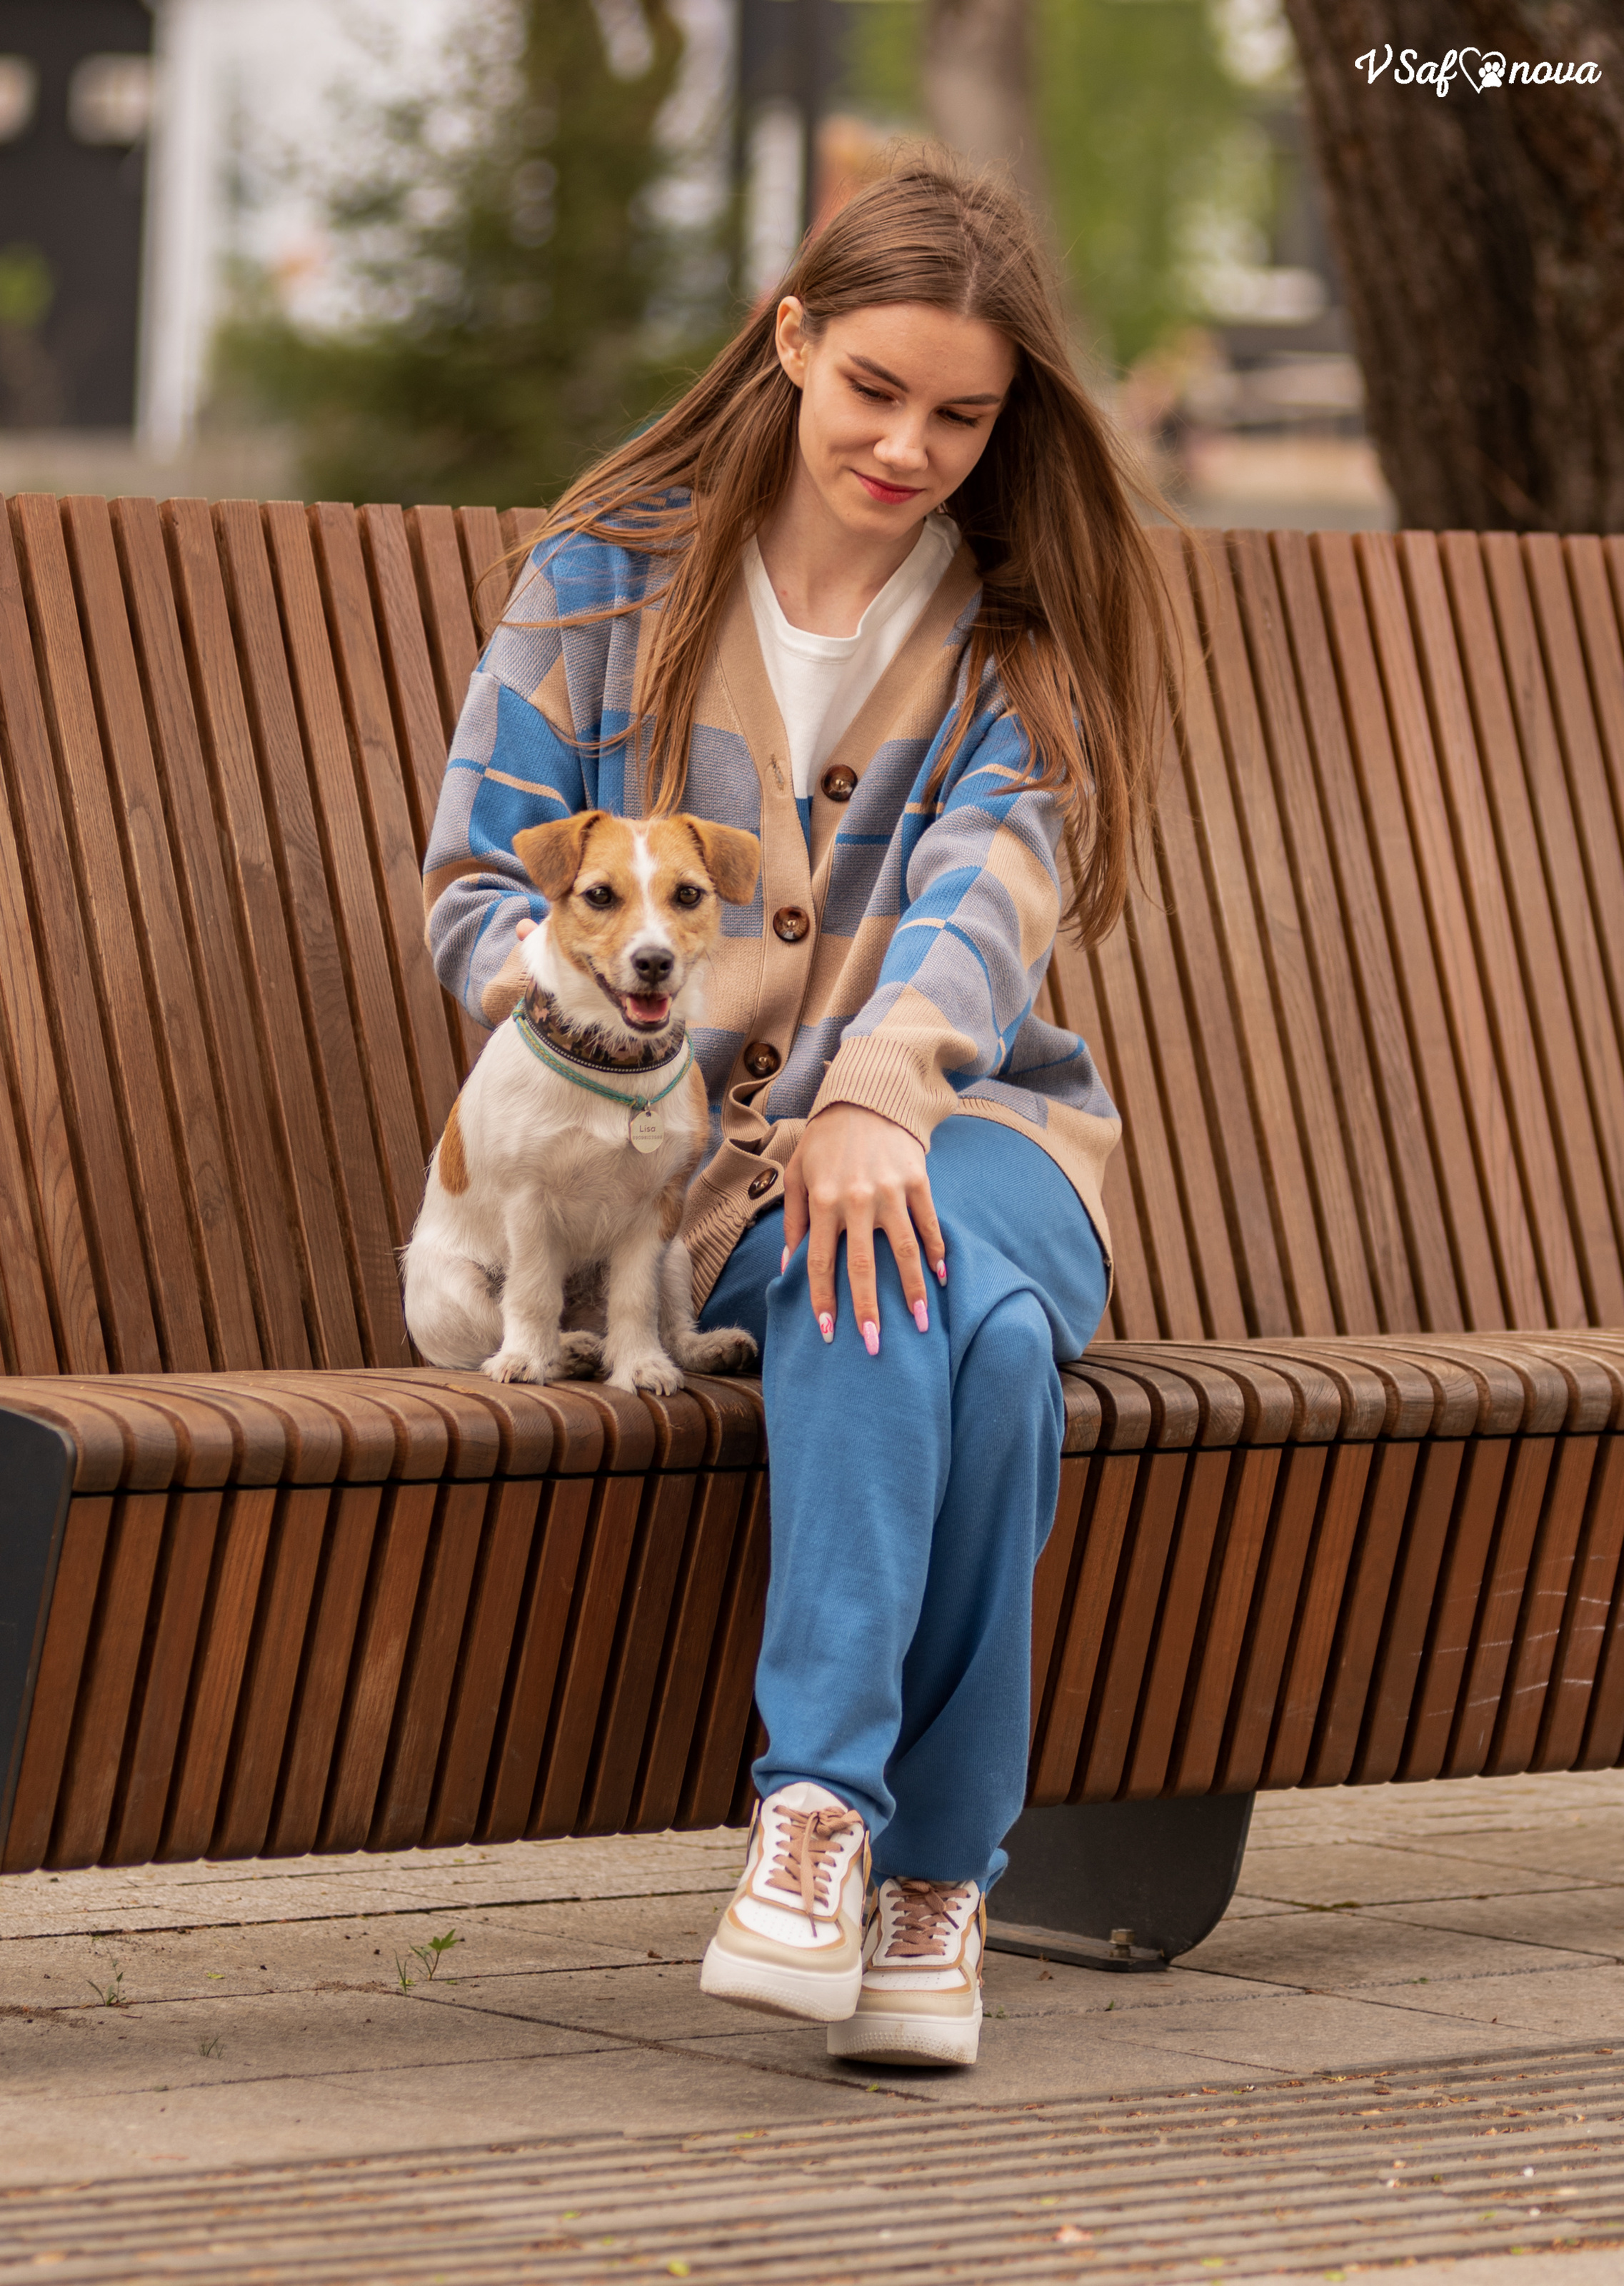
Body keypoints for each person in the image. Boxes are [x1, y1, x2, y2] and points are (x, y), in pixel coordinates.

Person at [421, 149, 1170, 2070]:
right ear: (792, 340)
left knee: (885, 1246)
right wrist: (584, 1004)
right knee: (979, 1347)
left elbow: (989, 910)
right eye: (874, 390)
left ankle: (815, 1811)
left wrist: (881, 1101)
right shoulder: (604, 581)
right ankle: (937, 1883)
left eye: (962, 416)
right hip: (677, 1163)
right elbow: (475, 901)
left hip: (987, 1129)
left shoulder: (1020, 629)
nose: (910, 445)